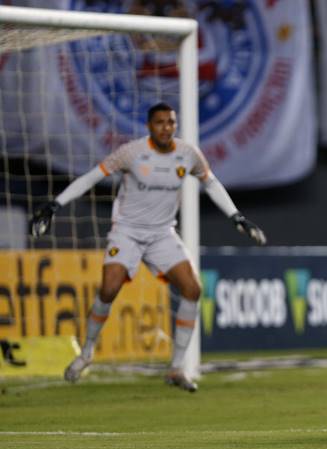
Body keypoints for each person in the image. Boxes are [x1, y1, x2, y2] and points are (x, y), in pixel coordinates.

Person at [30, 102, 266, 393]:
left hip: (162, 234)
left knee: (192, 289)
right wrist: (56, 204)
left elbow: (212, 183)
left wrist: (236, 216)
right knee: (109, 288)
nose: (166, 127)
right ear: (149, 126)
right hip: (127, 232)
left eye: (171, 122)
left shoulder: (188, 154)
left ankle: (177, 367)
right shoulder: (132, 152)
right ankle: (87, 352)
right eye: (160, 122)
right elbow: (93, 176)